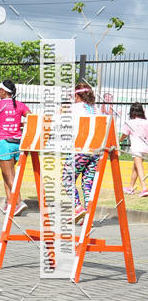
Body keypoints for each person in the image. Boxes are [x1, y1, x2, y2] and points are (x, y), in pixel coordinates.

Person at [0, 80, 30, 215]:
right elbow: (31, 118)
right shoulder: (20, 105)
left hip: (4, 143)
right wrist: (20, 124)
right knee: (7, 174)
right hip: (18, 143)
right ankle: (9, 204)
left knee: (9, 175)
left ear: (3, 91)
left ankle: (19, 201)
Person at [61, 82, 100, 222]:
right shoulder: (95, 109)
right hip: (96, 151)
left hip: (80, 148)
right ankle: (88, 216)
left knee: (67, 178)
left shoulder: (74, 108)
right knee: (87, 182)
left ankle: (77, 207)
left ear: (77, 95)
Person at [122, 103, 148, 197]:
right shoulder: (146, 122)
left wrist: (118, 140)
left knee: (139, 167)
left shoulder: (130, 122)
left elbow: (125, 134)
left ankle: (144, 188)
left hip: (137, 147)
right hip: (145, 148)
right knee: (136, 167)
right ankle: (130, 187)